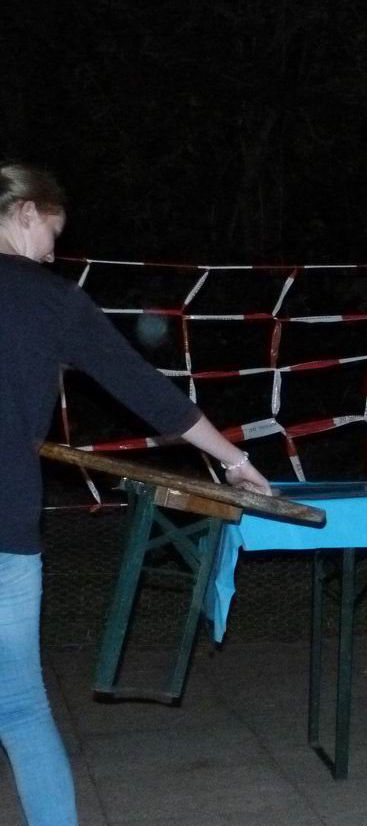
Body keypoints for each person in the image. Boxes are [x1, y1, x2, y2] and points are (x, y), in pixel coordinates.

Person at [0, 162, 271, 825]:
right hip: (4, 529)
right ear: (26, 213)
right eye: (53, 234)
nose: (54, 254)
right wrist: (235, 460)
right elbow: (143, 388)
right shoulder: (51, 300)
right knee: (21, 710)